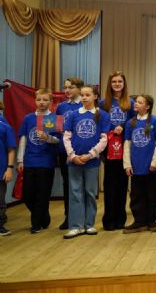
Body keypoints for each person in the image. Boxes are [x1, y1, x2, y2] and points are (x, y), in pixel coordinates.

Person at [62, 85, 110, 239]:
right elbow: (66, 137)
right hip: (74, 160)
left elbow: (104, 139)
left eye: (87, 95)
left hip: (91, 161)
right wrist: (72, 155)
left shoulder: (102, 115)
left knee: (90, 192)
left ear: (95, 96)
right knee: (75, 193)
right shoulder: (73, 115)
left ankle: (89, 224)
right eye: (82, 95)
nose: (84, 97)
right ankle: (76, 226)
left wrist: (90, 155)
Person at [17, 88, 60, 233]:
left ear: (51, 101)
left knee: (42, 193)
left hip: (46, 161)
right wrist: (20, 160)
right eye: (39, 99)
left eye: (45, 100)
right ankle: (43, 216)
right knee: (27, 194)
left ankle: (36, 224)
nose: (41, 102)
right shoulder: (28, 118)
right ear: (35, 101)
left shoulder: (54, 118)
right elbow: (23, 139)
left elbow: (58, 141)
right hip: (30, 160)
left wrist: (47, 138)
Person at [122, 94, 156, 233]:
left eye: (140, 102)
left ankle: (151, 221)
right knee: (136, 195)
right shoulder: (130, 123)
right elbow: (127, 144)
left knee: (151, 194)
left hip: (150, 167)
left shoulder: (155, 121)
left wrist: (154, 162)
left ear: (147, 106)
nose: (135, 104)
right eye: (136, 101)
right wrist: (127, 164)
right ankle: (139, 221)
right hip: (136, 166)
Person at [100, 71, 136, 231]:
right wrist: (111, 129)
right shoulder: (103, 103)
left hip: (125, 147)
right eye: (114, 81)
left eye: (119, 81)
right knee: (109, 184)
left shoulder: (130, 103)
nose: (117, 84)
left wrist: (124, 126)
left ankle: (121, 219)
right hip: (109, 147)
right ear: (110, 84)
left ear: (124, 84)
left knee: (122, 184)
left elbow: (135, 122)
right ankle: (109, 220)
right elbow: (100, 123)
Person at [55, 77, 84, 230]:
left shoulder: (85, 104)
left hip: (81, 151)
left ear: (79, 88)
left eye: (71, 87)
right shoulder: (61, 107)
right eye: (65, 87)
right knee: (68, 184)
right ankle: (69, 217)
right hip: (64, 151)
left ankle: (82, 216)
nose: (67, 90)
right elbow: (57, 128)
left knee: (82, 184)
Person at [0, 112, 16, 236]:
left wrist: (9, 168)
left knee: (0, 200)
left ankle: (0, 225)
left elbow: (11, 149)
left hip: (1, 169)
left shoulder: (5, 127)